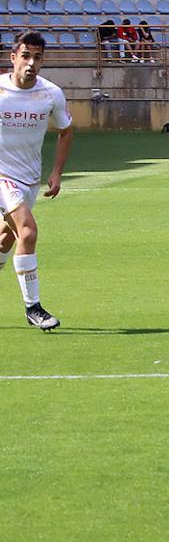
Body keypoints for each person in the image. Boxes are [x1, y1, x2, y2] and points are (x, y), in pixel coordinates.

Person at [0, 32, 74, 331]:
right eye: (26, 56)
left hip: (28, 179)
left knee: (6, 238)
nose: (31, 63)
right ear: (13, 57)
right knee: (27, 232)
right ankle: (34, 308)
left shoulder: (51, 94)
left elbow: (65, 131)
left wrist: (56, 172)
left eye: (38, 57)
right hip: (2, 175)